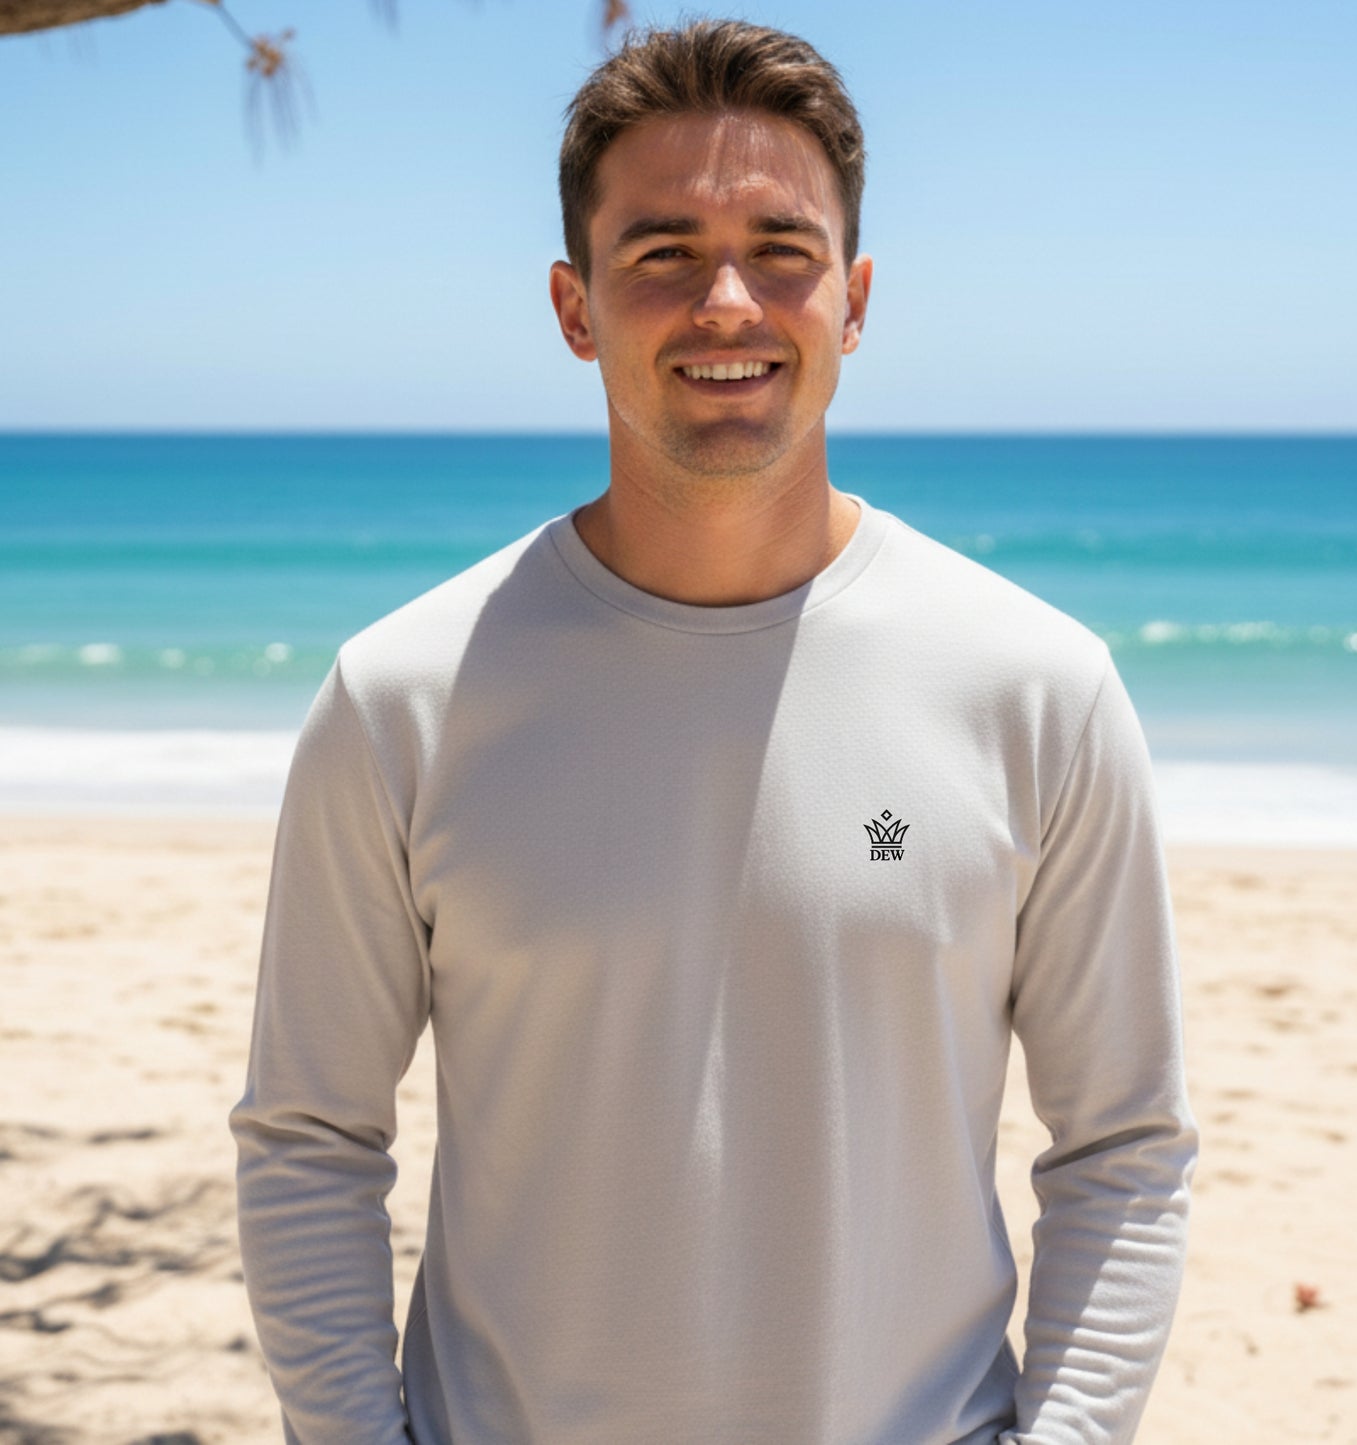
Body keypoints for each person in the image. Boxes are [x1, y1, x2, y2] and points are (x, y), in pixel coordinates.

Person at [231, 19, 1197, 1445]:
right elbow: (310, 1140)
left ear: (853, 300)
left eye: (781, 248)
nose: (727, 301)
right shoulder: (402, 699)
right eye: (663, 252)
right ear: (575, 307)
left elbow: (1123, 1145)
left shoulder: (1038, 688)